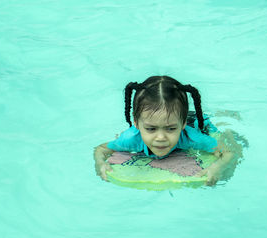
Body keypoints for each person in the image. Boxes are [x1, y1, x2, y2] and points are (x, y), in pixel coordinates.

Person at [94, 76, 235, 186]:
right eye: (151, 129)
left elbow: (227, 152)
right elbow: (100, 149)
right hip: (175, 116)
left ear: (182, 124)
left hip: (196, 122)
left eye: (171, 129)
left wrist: (217, 167)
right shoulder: (130, 139)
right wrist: (100, 163)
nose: (161, 137)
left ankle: (224, 114)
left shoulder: (193, 138)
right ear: (136, 123)